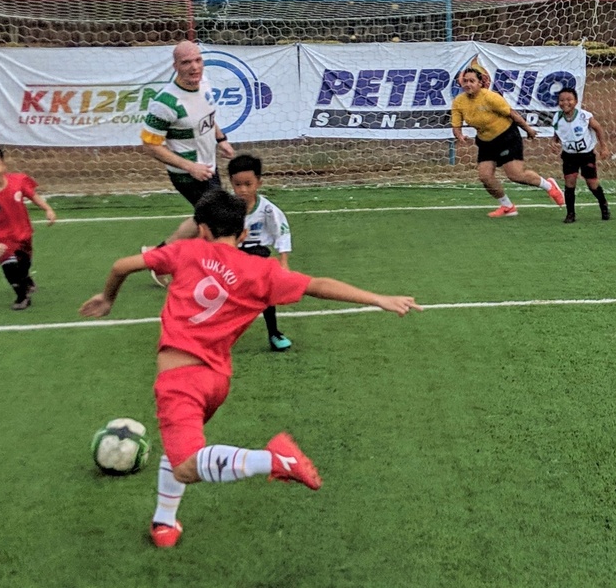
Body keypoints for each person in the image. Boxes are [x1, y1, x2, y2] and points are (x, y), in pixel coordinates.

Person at [79, 189, 421, 549]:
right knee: (181, 447)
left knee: (185, 464)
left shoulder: (186, 250)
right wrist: (378, 298)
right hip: (217, 380)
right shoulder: (263, 271)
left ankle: (273, 459)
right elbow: (317, 285)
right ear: (243, 234)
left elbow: (121, 265)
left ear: (202, 229)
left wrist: (108, 298)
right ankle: (164, 521)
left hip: (180, 381)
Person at [140, 40, 235, 286]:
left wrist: (221, 139)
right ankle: (205, 269)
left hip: (207, 165)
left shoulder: (204, 83)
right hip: (188, 173)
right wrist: (189, 166)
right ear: (175, 66)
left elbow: (208, 117)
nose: (194, 67)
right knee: (218, 217)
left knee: (203, 219)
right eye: (186, 63)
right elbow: (150, 145)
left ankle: (157, 256)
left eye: (197, 60)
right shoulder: (165, 102)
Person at [451, 67, 565, 217]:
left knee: (515, 175)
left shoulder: (490, 97)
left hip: (507, 137)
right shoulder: (459, 102)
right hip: (486, 142)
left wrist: (528, 129)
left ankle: (549, 186)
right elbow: (456, 125)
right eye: (465, 81)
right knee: (485, 177)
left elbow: (512, 114)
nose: (468, 84)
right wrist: (459, 136)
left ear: (480, 83)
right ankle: (507, 206)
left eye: (472, 81)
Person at [0, 143, 56, 310]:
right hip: (1, 241)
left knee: (24, 266)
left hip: (23, 235)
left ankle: (26, 279)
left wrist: (47, 209)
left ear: (4, 165)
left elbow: (33, 195)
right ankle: (22, 297)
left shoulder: (18, 181)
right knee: (10, 269)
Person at [228, 153, 294, 352]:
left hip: (258, 253)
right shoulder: (227, 208)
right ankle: (220, 334)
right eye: (237, 185)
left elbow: (281, 231)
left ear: (259, 182)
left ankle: (274, 333)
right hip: (233, 255)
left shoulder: (267, 209)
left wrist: (283, 261)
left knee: (265, 294)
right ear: (231, 183)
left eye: (248, 184)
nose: (243, 190)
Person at [550, 87, 611, 223]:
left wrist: (604, 147)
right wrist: (554, 142)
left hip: (586, 155)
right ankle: (570, 213)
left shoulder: (584, 116)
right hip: (569, 155)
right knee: (569, 183)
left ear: (576, 101)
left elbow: (598, 128)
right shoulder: (557, 117)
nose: (565, 103)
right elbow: (557, 133)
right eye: (562, 100)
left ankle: (603, 204)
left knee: (592, 183)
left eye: (569, 100)